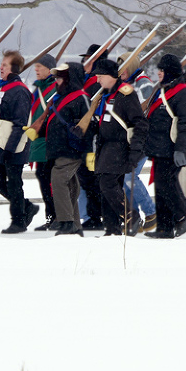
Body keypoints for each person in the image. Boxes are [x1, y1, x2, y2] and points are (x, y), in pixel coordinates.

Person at [143, 54, 186, 239]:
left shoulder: (184, 92)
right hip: (160, 146)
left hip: (172, 147)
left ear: (169, 72)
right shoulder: (165, 90)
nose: (158, 73)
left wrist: (180, 149)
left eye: (162, 70)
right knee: (161, 185)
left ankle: (184, 214)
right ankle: (164, 227)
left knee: (166, 183)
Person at [93, 58, 148, 236]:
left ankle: (130, 216)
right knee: (108, 185)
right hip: (105, 145)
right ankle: (112, 228)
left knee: (107, 183)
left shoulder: (125, 93)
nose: (97, 80)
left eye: (100, 76)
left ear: (110, 76)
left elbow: (139, 123)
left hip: (119, 145)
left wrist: (135, 150)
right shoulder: (107, 95)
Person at [0, 51, 39, 233]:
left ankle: (18, 220)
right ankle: (27, 207)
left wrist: (10, 149)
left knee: (14, 183)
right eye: (1, 64)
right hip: (0, 144)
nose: (0, 67)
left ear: (14, 69)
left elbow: (20, 123)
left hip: (13, 146)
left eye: (5, 65)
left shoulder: (19, 91)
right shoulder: (3, 87)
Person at [43, 62, 92, 236]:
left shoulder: (81, 97)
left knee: (58, 179)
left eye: (60, 77)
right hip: (61, 148)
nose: (56, 81)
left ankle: (66, 222)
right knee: (70, 184)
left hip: (71, 148)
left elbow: (89, 126)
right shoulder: (62, 97)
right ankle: (75, 225)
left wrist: (88, 152)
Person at [117, 51, 157, 233]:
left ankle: (151, 212)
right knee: (126, 178)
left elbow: (146, 111)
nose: (120, 71)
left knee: (129, 176)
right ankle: (135, 217)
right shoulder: (126, 84)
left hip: (142, 137)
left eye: (123, 66)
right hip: (129, 137)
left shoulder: (143, 84)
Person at [27, 55, 59, 230]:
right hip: (39, 140)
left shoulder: (55, 89)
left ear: (49, 69)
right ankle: (50, 217)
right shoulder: (36, 91)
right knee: (43, 179)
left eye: (39, 66)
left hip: (50, 140)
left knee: (51, 181)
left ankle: (57, 217)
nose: (36, 69)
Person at [76, 43, 106, 231]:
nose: (85, 61)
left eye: (90, 58)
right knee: (86, 180)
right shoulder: (85, 80)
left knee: (94, 180)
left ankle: (98, 216)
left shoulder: (98, 83)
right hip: (83, 135)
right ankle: (92, 215)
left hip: (95, 135)